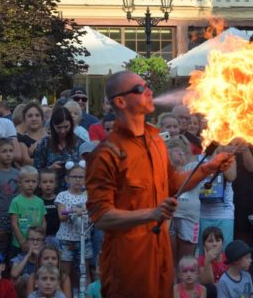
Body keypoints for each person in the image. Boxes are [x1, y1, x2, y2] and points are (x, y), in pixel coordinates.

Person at [85, 71, 234, 298]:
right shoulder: (106, 154)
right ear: (120, 101)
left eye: (147, 86)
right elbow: (101, 215)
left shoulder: (156, 140)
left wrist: (208, 167)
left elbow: (173, 183)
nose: (149, 92)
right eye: (138, 89)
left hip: (160, 256)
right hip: (128, 260)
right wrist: (150, 214)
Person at [166, 138, 202, 268]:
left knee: (186, 261)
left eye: (179, 152)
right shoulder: (164, 169)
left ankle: (184, 287)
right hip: (169, 216)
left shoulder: (193, 166)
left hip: (189, 216)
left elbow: (191, 182)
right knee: (170, 261)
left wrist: (180, 165)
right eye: (172, 153)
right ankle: (172, 287)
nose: (176, 155)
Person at [55, 161, 92, 287]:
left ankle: (86, 294)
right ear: (67, 178)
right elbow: (61, 215)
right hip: (66, 240)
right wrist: (73, 211)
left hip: (84, 239)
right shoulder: (63, 195)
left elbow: (93, 217)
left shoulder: (88, 196)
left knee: (84, 270)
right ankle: (66, 293)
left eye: (81, 177)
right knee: (66, 271)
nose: (77, 180)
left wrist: (88, 214)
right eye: (74, 177)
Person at [33, 107, 84, 185]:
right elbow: (35, 172)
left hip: (75, 191)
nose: (62, 131)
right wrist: (50, 169)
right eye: (59, 127)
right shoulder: (45, 143)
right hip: (50, 192)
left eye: (66, 127)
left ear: (71, 124)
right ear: (53, 126)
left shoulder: (80, 143)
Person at [9, 166, 47, 255]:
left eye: (33, 181)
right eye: (27, 181)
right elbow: (14, 223)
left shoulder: (40, 201)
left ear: (38, 183)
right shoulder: (16, 201)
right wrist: (22, 242)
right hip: (19, 244)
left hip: (36, 243)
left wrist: (41, 238)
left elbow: (43, 222)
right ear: (19, 183)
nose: (30, 184)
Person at [198, 226, 228, 295]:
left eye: (218, 240)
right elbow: (207, 283)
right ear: (204, 245)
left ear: (222, 243)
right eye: (210, 241)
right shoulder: (201, 260)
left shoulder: (228, 258)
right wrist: (207, 261)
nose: (215, 244)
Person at [37, 169, 60, 246]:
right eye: (44, 182)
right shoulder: (37, 201)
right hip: (42, 238)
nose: (48, 185)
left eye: (51, 181)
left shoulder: (61, 200)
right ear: (39, 184)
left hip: (59, 237)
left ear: (56, 184)